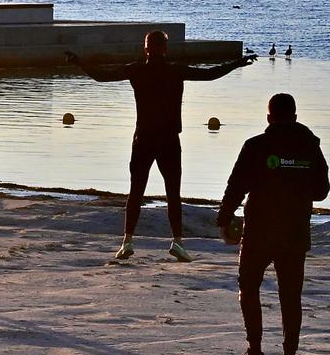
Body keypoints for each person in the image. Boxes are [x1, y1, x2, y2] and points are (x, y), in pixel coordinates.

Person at [67, 30, 252, 261]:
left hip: (143, 138)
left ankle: (127, 241)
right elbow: (210, 74)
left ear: (145, 49)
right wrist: (237, 63)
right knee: (173, 193)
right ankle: (177, 241)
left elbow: (101, 76)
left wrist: (79, 62)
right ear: (165, 49)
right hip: (169, 139)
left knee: (136, 191)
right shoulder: (175, 70)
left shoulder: (136, 69)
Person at [217, 92, 330, 355]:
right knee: (290, 296)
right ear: (295, 116)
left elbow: (236, 185)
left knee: (249, 287)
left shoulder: (256, 145)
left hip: (259, 230)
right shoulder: (310, 146)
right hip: (294, 231)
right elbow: (322, 190)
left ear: (269, 117)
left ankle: (255, 350)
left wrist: (224, 219)